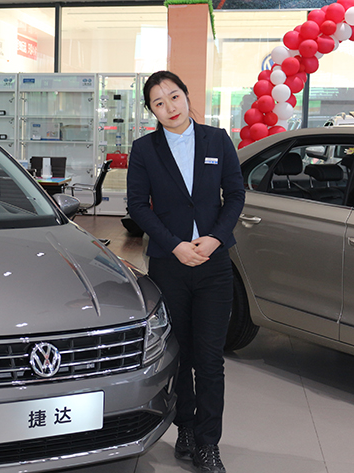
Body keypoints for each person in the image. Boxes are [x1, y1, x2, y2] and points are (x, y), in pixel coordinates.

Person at [126, 71, 245, 473]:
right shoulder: (145, 149)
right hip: (169, 263)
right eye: (159, 103)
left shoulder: (217, 140)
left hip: (213, 264)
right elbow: (138, 205)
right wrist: (176, 245)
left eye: (174, 97)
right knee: (180, 354)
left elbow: (236, 194)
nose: (170, 107)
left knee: (210, 358)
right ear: (152, 111)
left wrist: (215, 238)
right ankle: (187, 428)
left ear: (187, 96)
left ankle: (209, 443)